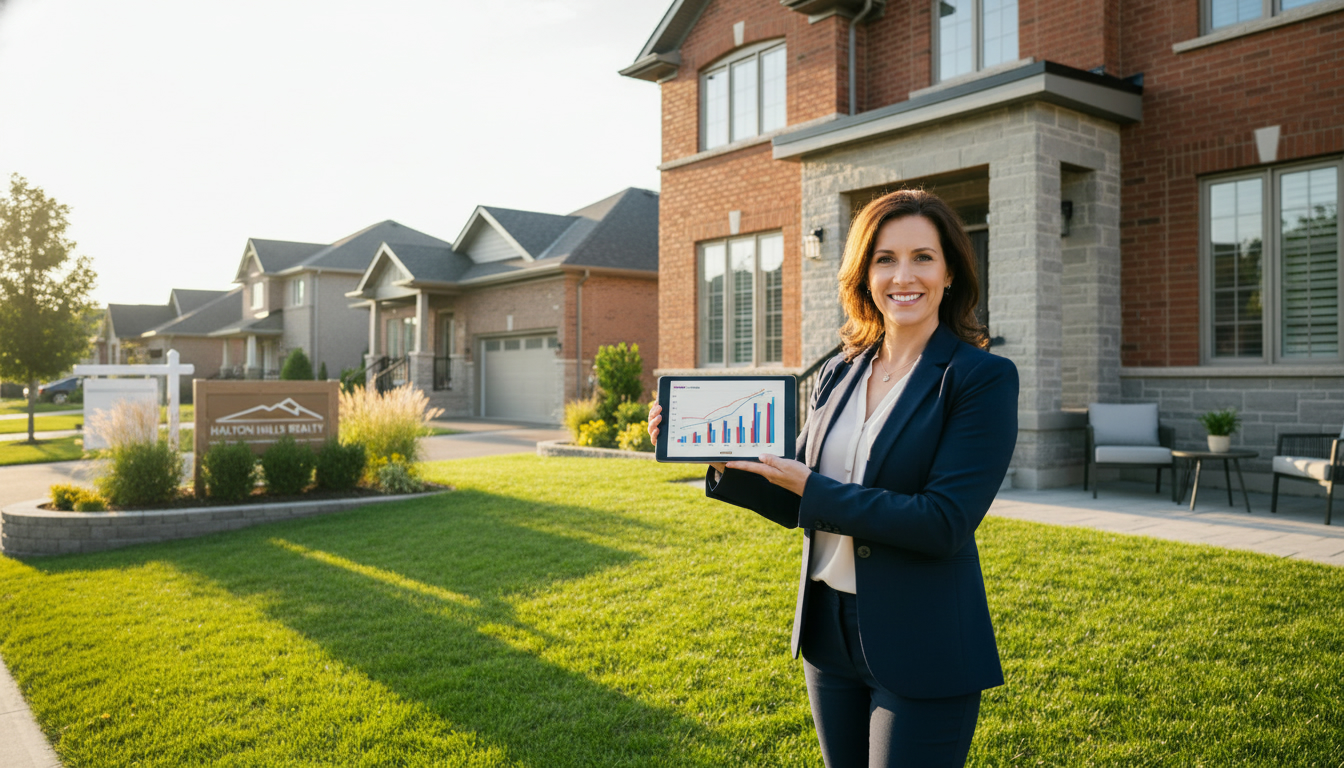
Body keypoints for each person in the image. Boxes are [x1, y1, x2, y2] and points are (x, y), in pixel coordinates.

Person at [648, 189, 1018, 767]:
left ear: (950, 272)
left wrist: (810, 488)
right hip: (828, 634)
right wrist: (713, 454)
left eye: (923, 257)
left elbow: (943, 522)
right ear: (864, 274)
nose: (904, 275)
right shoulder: (841, 372)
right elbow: (799, 496)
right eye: (885, 259)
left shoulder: (980, 379)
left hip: (923, 639)